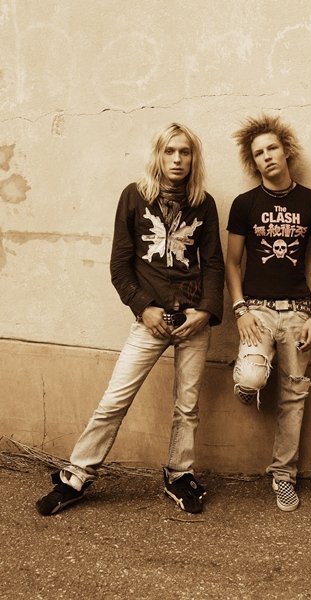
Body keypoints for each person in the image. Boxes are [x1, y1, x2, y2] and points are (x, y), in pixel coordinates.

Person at [36, 123, 224, 516]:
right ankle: (76, 476)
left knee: (187, 406)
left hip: (193, 320)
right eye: (170, 151)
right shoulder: (135, 196)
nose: (177, 159)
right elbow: (120, 266)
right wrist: (143, 307)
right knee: (114, 400)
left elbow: (213, 263)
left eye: (185, 152)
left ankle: (179, 474)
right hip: (150, 320)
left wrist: (206, 311)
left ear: (194, 158)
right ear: (159, 154)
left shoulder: (203, 203)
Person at [226, 114, 311, 512]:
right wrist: (240, 310)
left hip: (299, 312)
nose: (267, 156)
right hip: (256, 310)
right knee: (252, 378)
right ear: (253, 162)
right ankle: (246, 379)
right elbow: (232, 263)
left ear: (286, 151)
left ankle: (283, 476)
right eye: (258, 153)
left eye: (272, 148)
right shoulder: (244, 204)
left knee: (294, 394)